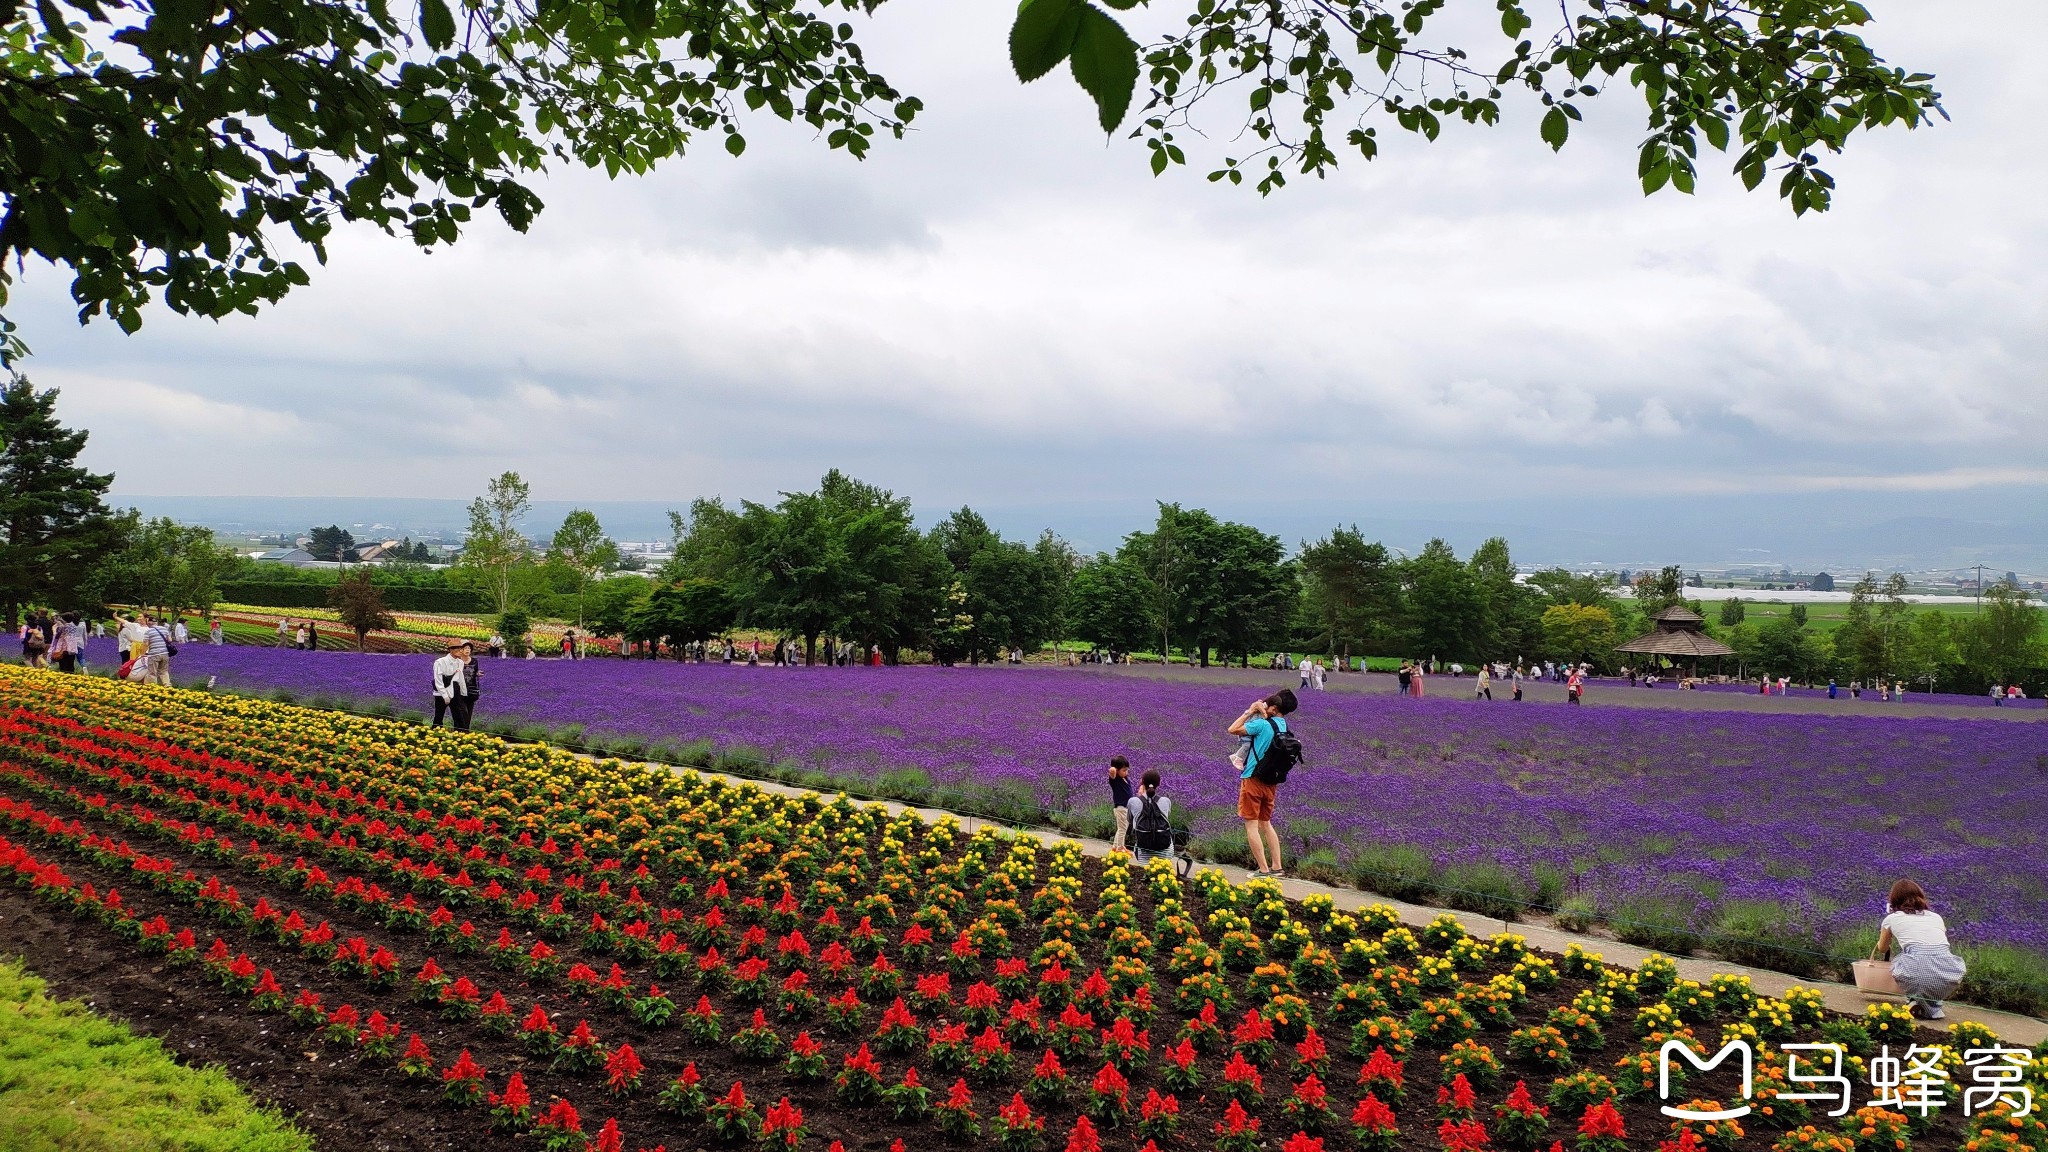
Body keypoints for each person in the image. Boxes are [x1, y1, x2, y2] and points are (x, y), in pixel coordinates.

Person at [1227, 688, 1297, 878]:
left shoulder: (1262, 725)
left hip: (1253, 778)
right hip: (1272, 782)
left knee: (1251, 825)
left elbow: (1232, 729)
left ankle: (1263, 870)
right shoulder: (1284, 726)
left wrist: (1250, 711)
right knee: (1266, 823)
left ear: (1274, 707)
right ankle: (1277, 868)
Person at [1876, 879, 1967, 1020]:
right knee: (1925, 967)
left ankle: (1912, 1000)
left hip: (1917, 972)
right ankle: (1929, 1005)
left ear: (1894, 900)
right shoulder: (1936, 917)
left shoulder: (1892, 918)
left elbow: (1882, 949)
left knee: (1901, 959)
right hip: (1949, 973)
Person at [1127, 770, 1175, 866]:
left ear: (1142, 782)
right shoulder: (1166, 801)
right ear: (1159, 783)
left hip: (1144, 852)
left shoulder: (1133, 801)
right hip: (1166, 851)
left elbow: (1130, 820)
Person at [432, 641, 468, 728]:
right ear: (451, 650)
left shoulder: (460, 662)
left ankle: (460, 736)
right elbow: (438, 680)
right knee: (439, 716)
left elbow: (460, 678)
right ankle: (436, 735)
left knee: (459, 715)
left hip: (455, 690)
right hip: (442, 690)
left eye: (461, 649)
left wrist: (463, 693)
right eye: (457, 649)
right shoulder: (440, 662)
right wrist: (445, 695)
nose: (460, 651)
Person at [1107, 755, 1133, 851]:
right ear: (1118, 771)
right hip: (1121, 807)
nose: (1126, 772)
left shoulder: (1125, 778)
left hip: (1126, 808)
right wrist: (1114, 767)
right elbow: (1112, 771)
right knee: (1122, 829)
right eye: (1124, 770)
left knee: (1121, 828)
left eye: (1127, 770)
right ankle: (1120, 848)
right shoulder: (1115, 779)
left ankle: (1115, 847)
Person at [141, 613, 174, 686]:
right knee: (164, 671)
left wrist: (142, 654)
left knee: (152, 672)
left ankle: (153, 687)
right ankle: (167, 684)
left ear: (149, 622)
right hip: (165, 653)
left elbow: (145, 644)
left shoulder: (148, 631)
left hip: (154, 654)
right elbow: (170, 640)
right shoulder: (164, 629)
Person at [459, 643, 481, 728]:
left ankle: (466, 730)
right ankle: (460, 729)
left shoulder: (474, 661)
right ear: (461, 650)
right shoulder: (458, 661)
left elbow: (475, 672)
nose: (467, 650)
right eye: (465, 648)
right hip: (460, 688)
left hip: (471, 688)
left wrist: (478, 674)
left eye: (469, 648)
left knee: (469, 711)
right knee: (462, 711)